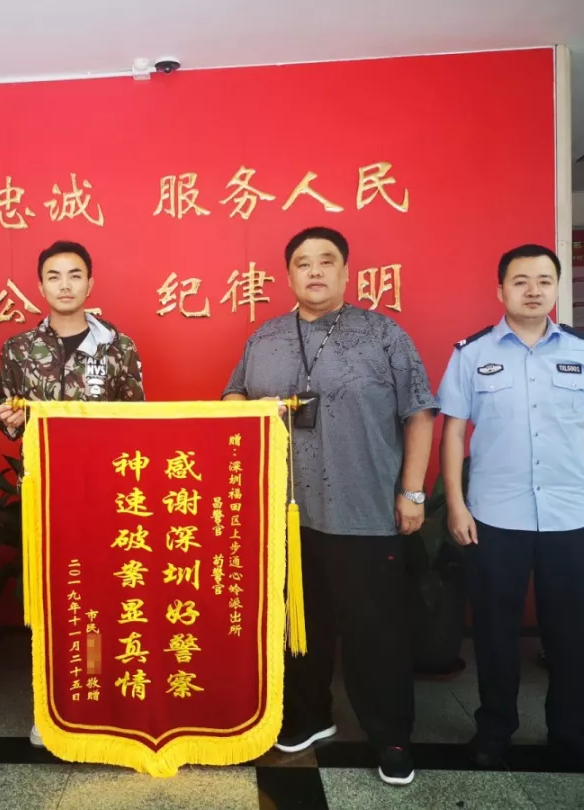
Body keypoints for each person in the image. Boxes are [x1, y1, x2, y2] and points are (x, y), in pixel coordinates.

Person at [221, 226, 437, 786]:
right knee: (299, 626)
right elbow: (232, 395)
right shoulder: (266, 336)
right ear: (288, 275)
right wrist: (253, 407)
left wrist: (413, 491)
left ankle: (391, 736)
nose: (314, 271)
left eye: (326, 261)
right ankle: (308, 717)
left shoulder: (382, 334)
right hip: (285, 513)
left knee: (375, 631)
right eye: (302, 263)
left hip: (363, 509)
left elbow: (419, 413)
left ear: (345, 272)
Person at [436, 244, 584, 778]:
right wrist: (456, 504)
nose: (534, 290)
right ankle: (494, 731)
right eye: (521, 281)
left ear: (556, 288)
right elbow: (453, 433)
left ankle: (575, 735)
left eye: (544, 280)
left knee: (576, 634)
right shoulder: (471, 354)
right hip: (495, 516)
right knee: (494, 633)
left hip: (571, 515)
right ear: (500, 290)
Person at [0, 239, 144, 747]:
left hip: (104, 497)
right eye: (54, 276)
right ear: (40, 286)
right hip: (45, 497)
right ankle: (53, 704)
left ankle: (100, 697)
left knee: (102, 597)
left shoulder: (118, 347)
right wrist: (10, 419)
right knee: (52, 600)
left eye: (74, 275)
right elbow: (4, 416)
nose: (65, 285)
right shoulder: (18, 349)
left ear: (90, 283)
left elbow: (138, 422)